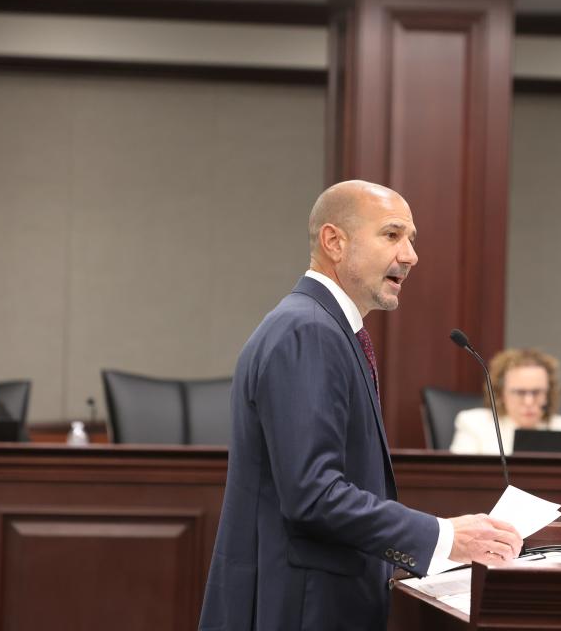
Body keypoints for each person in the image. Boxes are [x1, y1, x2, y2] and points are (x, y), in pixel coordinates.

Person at [199, 180, 522, 631]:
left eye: (411, 239)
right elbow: (313, 495)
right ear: (335, 241)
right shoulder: (307, 332)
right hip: (297, 608)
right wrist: (445, 537)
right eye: (392, 235)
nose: (410, 255)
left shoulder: (322, 327)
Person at [449, 348, 561, 454]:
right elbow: (457, 479)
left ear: (548, 394)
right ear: (501, 393)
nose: (529, 401)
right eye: (519, 392)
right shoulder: (473, 424)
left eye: (537, 392)